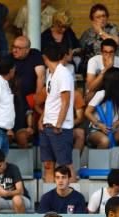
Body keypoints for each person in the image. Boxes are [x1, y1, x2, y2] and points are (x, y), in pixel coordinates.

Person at [40, 44, 75, 182]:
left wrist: (58, 124)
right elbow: (50, 99)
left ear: (44, 57)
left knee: (66, 165)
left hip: (60, 127)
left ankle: (73, 199)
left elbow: (65, 101)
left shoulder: (64, 74)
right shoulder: (51, 73)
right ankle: (49, 200)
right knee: (48, 165)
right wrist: (42, 119)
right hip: (48, 124)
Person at [85, 67, 119, 151]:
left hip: (113, 130)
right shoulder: (101, 94)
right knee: (105, 141)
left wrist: (118, 122)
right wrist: (100, 125)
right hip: (96, 130)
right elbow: (87, 112)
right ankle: (99, 162)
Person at [0, 149, 32, 214]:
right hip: (2, 200)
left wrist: (6, 193)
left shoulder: (13, 168)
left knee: (16, 199)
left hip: (20, 199)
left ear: (5, 160)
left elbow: (20, 191)